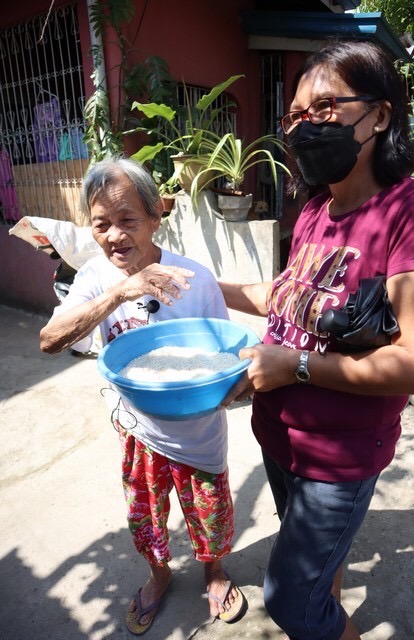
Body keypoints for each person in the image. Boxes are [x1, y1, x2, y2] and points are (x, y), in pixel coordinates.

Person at [219, 39, 414, 640]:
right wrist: (215, 286)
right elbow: (287, 296)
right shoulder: (314, 211)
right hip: (279, 440)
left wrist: (297, 368)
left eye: (326, 108)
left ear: (380, 114)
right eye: (297, 116)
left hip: (337, 460)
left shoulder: (408, 213)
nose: (308, 127)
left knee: (291, 602)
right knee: (322, 577)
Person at [40, 157, 246, 635]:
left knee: (209, 508)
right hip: (136, 429)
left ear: (157, 216)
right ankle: (159, 575)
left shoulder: (194, 278)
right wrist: (119, 293)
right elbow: (50, 341)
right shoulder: (94, 278)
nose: (114, 235)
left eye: (128, 220)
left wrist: (232, 389)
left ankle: (214, 573)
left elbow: (227, 349)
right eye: (102, 224)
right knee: (146, 513)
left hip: (198, 428)